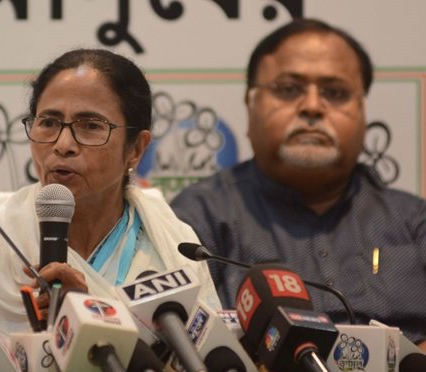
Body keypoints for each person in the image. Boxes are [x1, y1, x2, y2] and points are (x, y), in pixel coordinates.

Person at [0, 48, 220, 345]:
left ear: (136, 149)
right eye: (48, 122)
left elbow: (208, 363)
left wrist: (90, 317)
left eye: (90, 126)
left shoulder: (173, 246)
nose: (63, 145)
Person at [171, 18, 426, 350]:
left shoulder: (412, 221)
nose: (312, 107)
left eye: (335, 93)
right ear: (250, 105)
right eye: (289, 89)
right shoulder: (198, 218)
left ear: (363, 111)